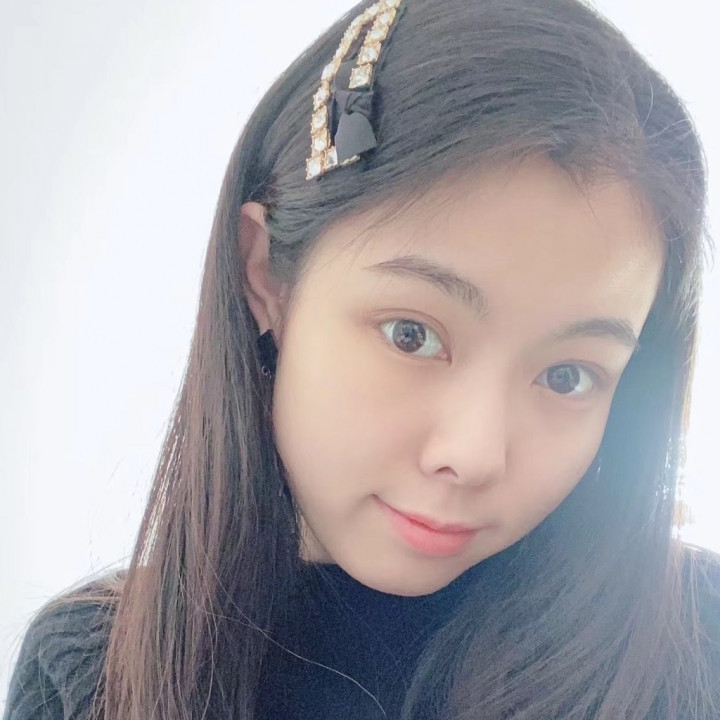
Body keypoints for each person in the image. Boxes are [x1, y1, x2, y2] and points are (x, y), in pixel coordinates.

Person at [4, 0, 719, 718]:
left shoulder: (698, 642)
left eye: (568, 376)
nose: (473, 455)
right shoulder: (97, 674)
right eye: (411, 334)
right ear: (266, 274)